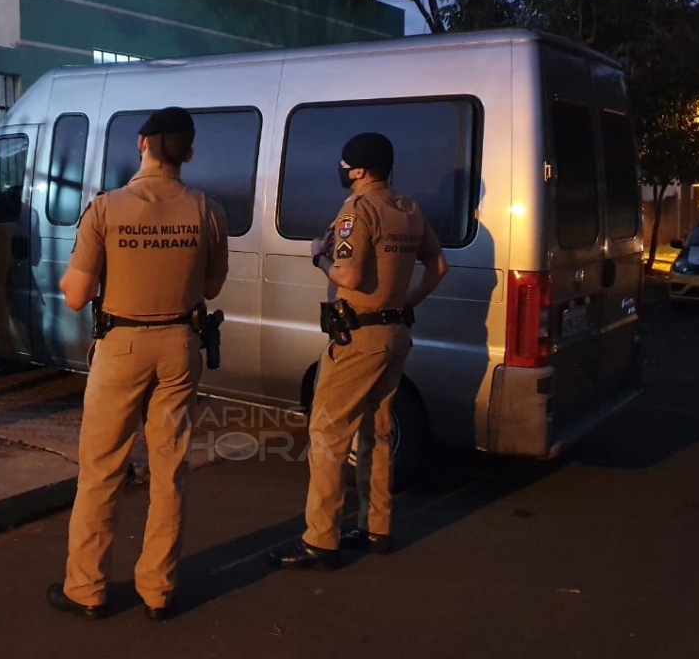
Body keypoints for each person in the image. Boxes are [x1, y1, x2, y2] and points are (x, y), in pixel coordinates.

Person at [48, 107, 229, 622]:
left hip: (122, 346)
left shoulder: (105, 208)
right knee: (170, 470)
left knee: (102, 470)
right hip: (180, 344)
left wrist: (71, 280)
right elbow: (211, 287)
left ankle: (87, 589)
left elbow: (78, 297)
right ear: (188, 152)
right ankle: (158, 589)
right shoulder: (208, 210)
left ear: (141, 143)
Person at [270, 132, 447, 570]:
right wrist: (406, 302)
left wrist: (319, 258)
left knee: (328, 434)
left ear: (362, 170)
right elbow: (437, 266)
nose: (342, 169)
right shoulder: (407, 209)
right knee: (377, 433)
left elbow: (347, 275)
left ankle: (321, 540)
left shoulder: (358, 210)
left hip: (358, 339)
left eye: (346, 163)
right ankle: (376, 528)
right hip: (394, 336)